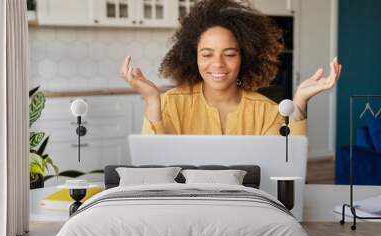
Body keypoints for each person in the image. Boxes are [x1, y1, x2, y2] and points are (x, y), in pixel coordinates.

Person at [120, 0, 341, 135]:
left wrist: (300, 101)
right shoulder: (172, 103)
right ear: (192, 57)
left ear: (244, 58)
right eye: (207, 54)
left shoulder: (265, 111)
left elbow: (288, 163)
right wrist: (151, 99)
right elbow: (152, 166)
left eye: (229, 54)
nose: (218, 64)